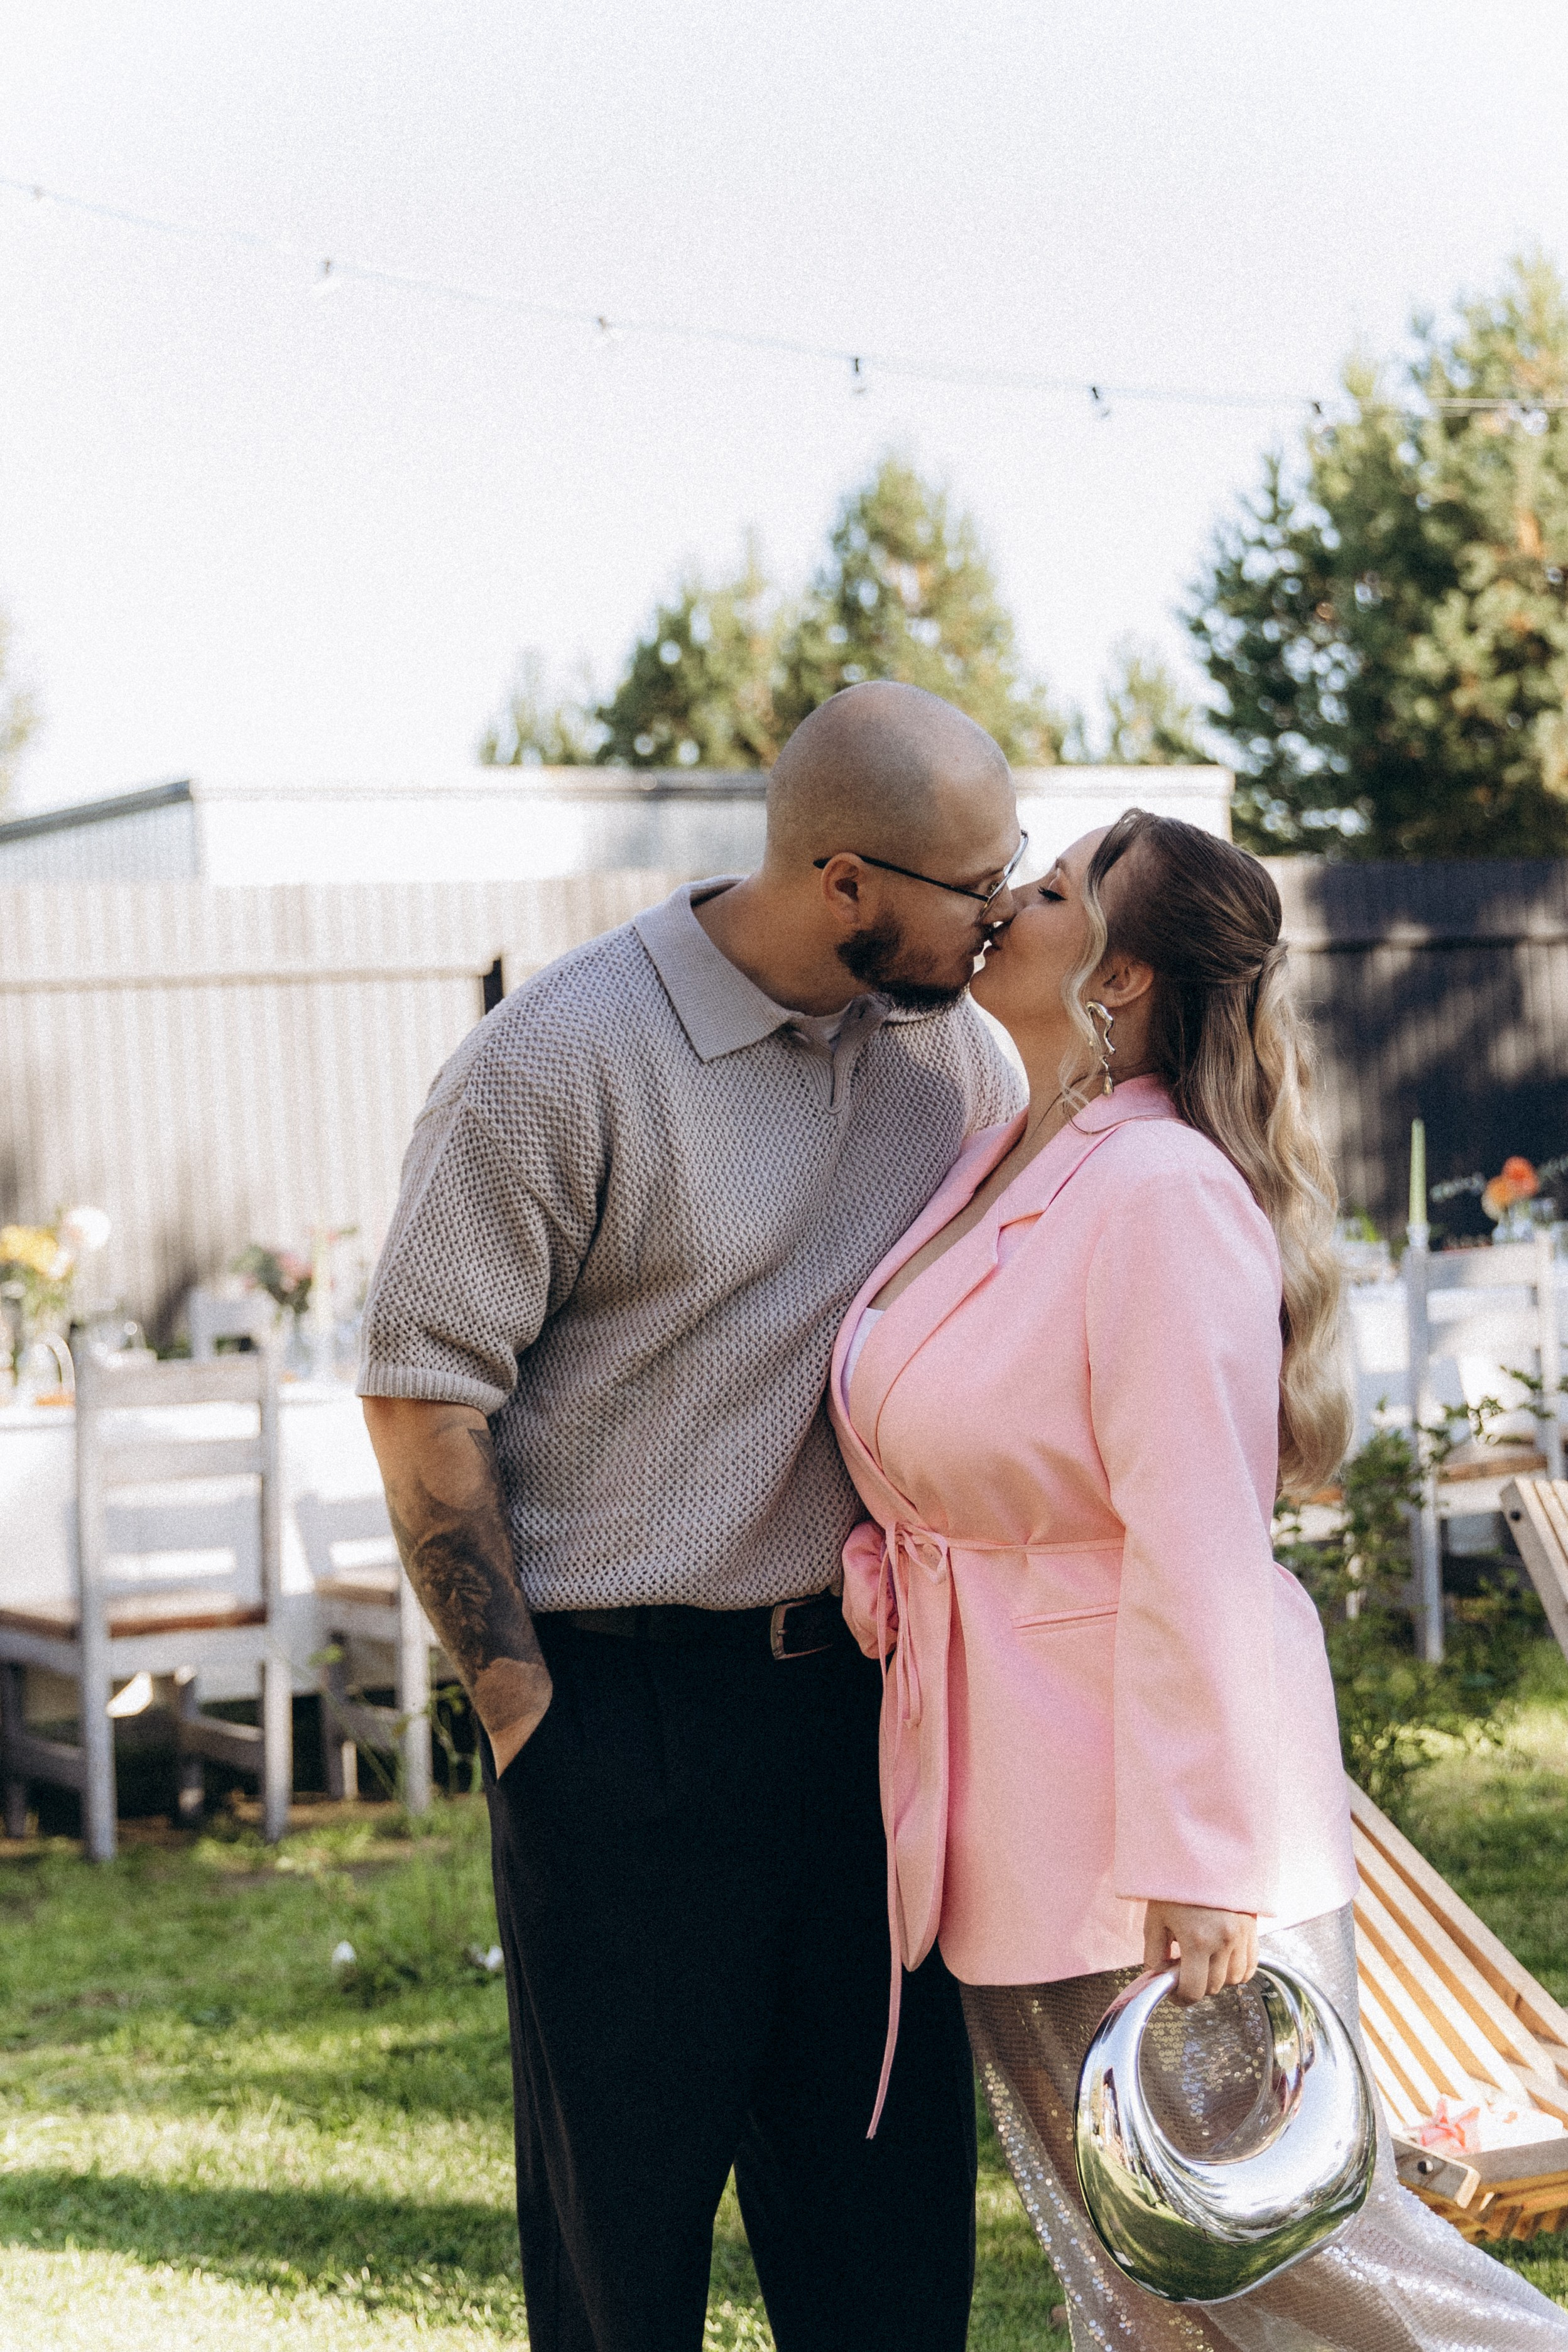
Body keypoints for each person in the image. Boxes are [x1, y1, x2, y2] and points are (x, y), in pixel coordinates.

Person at [829, 809, 1568, 2349]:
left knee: (1317, 2276)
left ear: (1120, 977)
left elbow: (1201, 1540)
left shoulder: (1158, 1191)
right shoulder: (999, 1156)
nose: (998, 904)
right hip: (1014, 1812)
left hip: (1151, 1845)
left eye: (1042, 891)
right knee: (1136, 2279)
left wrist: (1204, 1859)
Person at [358, 680, 1028, 2352]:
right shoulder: (555, 1061)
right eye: (979, 883)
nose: (1008, 910)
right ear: (846, 883)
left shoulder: (963, 1058)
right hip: (621, 1720)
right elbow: (420, 1395)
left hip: (871, 1720)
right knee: (622, 2268)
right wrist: (528, 1720)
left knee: (885, 2254)